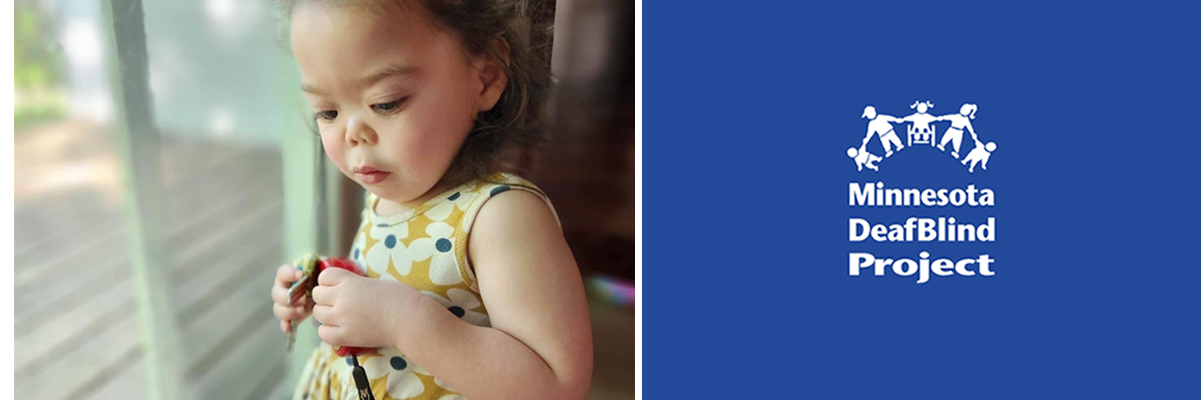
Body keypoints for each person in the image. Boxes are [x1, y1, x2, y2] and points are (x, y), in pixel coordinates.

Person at [269, 1, 594, 399]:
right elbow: (400, 274)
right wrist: (327, 282)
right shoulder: (388, 194)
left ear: (485, 76)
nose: (352, 133)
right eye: (327, 111)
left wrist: (403, 320)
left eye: (386, 102)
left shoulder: (501, 216)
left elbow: (556, 387)